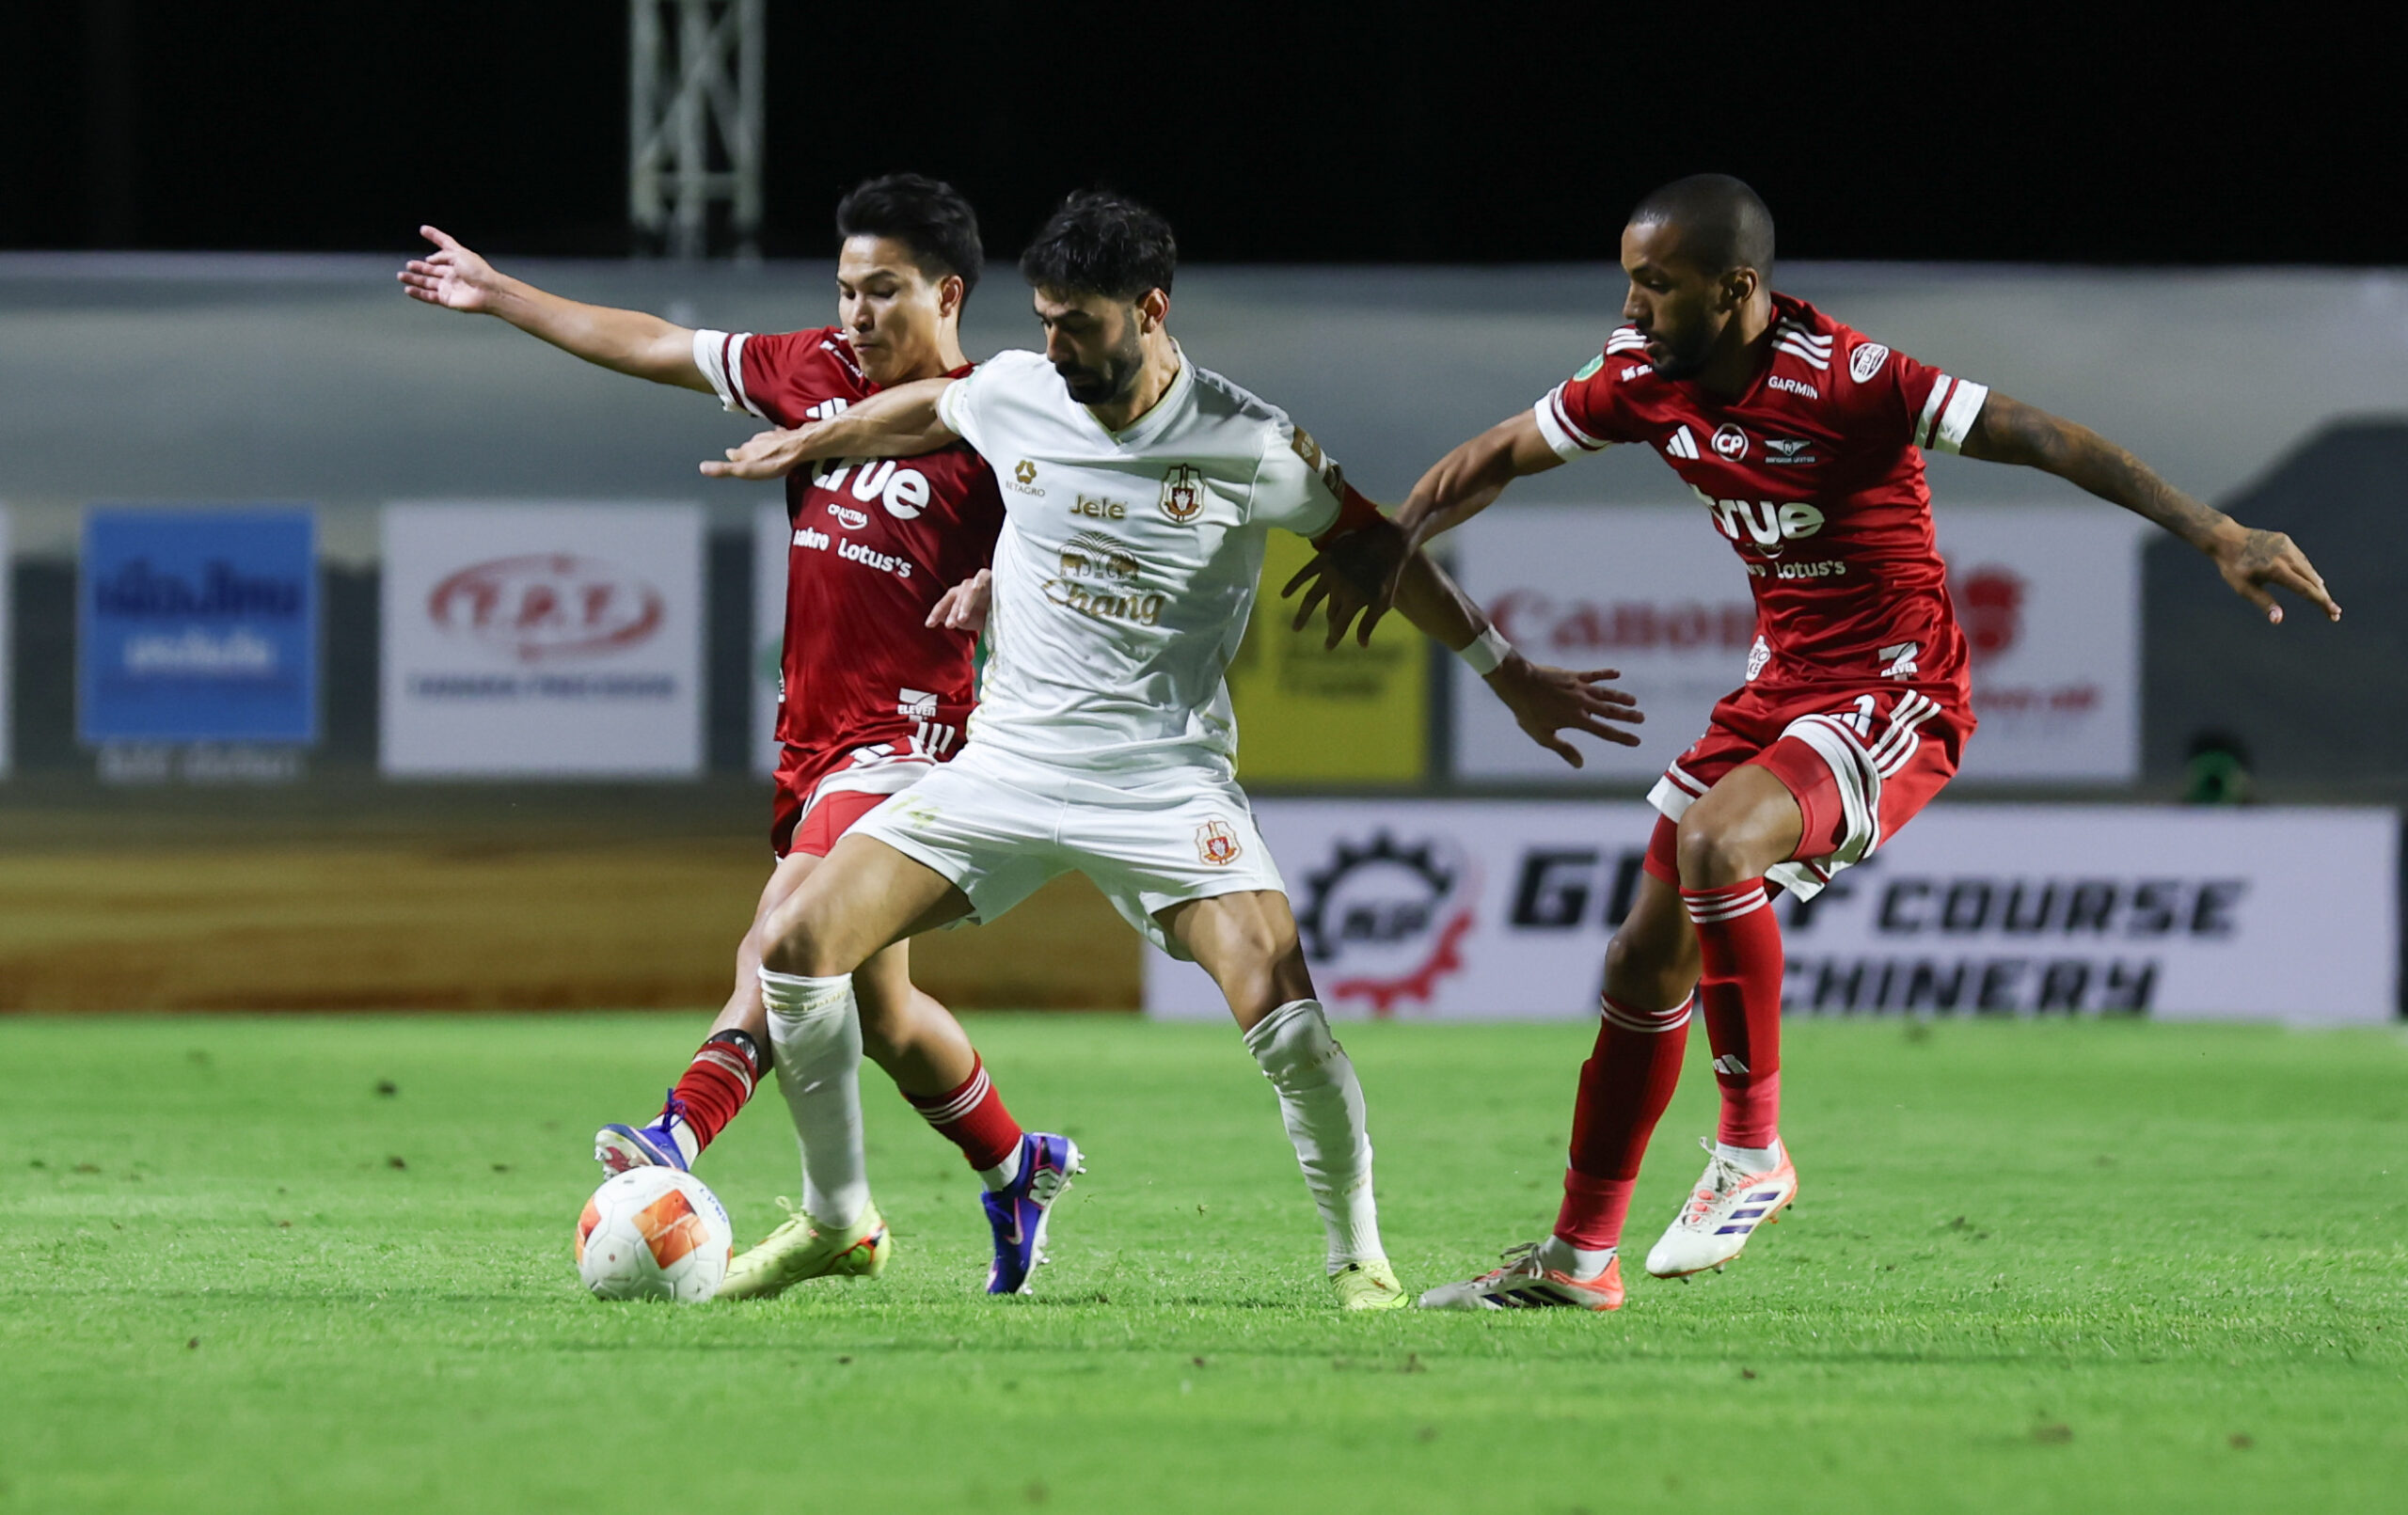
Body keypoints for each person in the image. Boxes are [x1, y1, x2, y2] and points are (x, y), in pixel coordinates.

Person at [1297, 173, 2339, 1312]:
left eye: (1657, 284)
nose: (1633, 307)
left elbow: (2039, 435)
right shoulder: (1640, 373)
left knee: (1715, 844)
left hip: (1896, 688)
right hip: (1781, 688)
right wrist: (1400, 534)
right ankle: (1579, 1258)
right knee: (1639, 963)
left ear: (1735, 288)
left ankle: (1752, 1150)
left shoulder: (1850, 379)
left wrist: (2214, 530)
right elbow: (1495, 454)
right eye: (1629, 281)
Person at [702, 189, 1643, 1308]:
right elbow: (931, 410)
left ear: (1149, 311)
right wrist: (814, 437)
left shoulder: (1249, 442)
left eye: (1078, 324)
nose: (1054, 346)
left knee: (1287, 1020)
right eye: (1044, 320)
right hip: (1004, 768)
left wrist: (1506, 671)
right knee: (797, 945)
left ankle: (1360, 1261)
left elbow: (1376, 550)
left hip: (1162, 786)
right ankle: (835, 1217)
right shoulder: (1018, 389)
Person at [398, 174, 1073, 1300]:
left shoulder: (1000, 413)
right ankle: (1017, 1165)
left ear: (948, 294)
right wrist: (500, 293)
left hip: (916, 744)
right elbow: (656, 345)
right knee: (883, 1015)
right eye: (846, 290)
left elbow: (1086, 528)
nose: (857, 314)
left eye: (885, 291)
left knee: (784, 927)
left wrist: (1003, 582)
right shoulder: (813, 371)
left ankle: (681, 1129)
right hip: (813, 746)